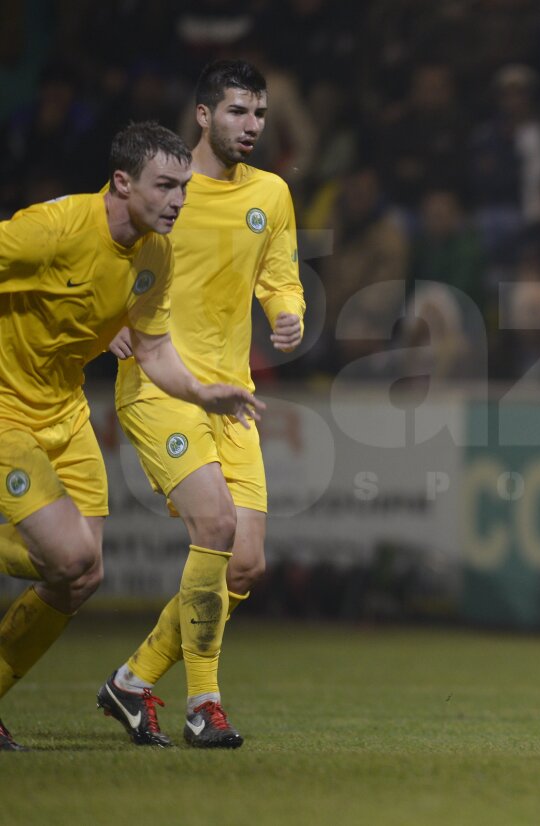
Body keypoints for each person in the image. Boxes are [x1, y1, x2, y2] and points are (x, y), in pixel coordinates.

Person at [0, 121, 263, 751]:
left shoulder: (153, 253)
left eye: (184, 187)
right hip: (6, 411)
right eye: (165, 186)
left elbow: (151, 347)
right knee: (66, 556)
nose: (179, 200)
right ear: (122, 182)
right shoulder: (53, 229)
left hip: (64, 416)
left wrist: (203, 393)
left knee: (83, 575)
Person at [98, 60, 304, 750]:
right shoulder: (164, 183)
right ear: (203, 115)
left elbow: (280, 275)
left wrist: (287, 312)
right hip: (160, 386)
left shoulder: (271, 194)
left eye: (261, 115)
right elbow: (98, 251)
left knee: (246, 564)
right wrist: (108, 320)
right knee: (214, 527)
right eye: (239, 112)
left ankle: (134, 678)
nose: (251, 126)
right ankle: (203, 705)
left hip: (229, 391)